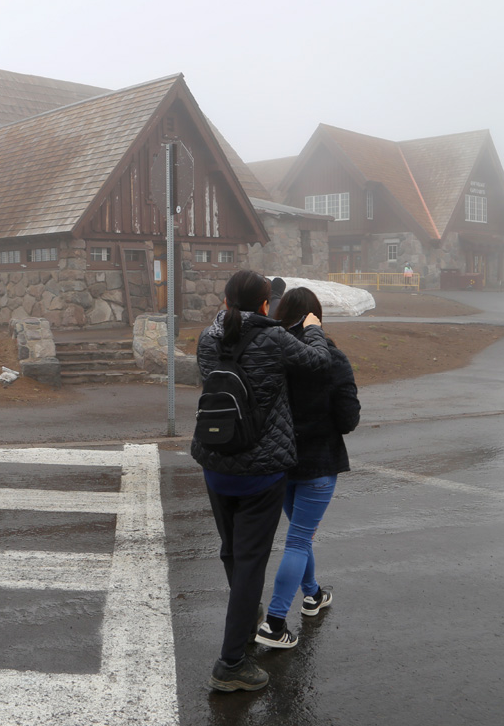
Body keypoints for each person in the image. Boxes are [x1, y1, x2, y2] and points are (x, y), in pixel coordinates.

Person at [191, 270, 332, 692]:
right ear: (266, 304)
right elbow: (318, 362)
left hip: (215, 460)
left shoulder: (207, 337)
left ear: (225, 299)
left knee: (232, 551)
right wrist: (314, 329)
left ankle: (245, 610)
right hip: (261, 469)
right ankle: (232, 663)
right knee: (252, 562)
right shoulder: (273, 338)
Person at [255, 287, 360, 649]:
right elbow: (348, 419)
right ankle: (274, 623)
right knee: (299, 540)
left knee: (300, 534)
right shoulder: (333, 357)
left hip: (280, 461)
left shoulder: (274, 355)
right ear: (315, 317)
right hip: (319, 462)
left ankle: (313, 594)